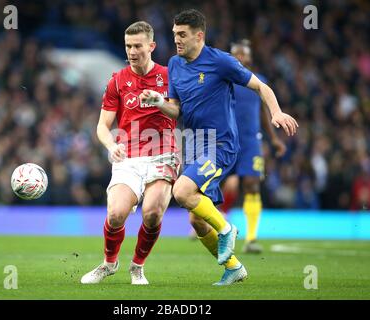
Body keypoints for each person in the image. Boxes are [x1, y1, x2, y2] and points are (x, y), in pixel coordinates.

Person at [140, 9, 298, 285]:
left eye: (182, 35)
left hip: (220, 144)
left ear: (199, 36)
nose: (176, 39)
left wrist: (276, 113)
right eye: (175, 34)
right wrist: (158, 102)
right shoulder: (175, 65)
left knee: (182, 191)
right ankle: (234, 267)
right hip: (193, 145)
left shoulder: (221, 62)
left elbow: (262, 87)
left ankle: (227, 229)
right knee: (197, 221)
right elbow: (176, 110)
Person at [81, 21, 178, 285]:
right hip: (129, 156)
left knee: (152, 213)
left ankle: (137, 267)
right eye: (128, 46)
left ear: (151, 46)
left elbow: (179, 112)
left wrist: (159, 102)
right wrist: (111, 145)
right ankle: (109, 264)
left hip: (162, 153)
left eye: (137, 46)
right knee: (115, 215)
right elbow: (102, 126)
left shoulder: (170, 76)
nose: (132, 51)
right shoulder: (118, 80)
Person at [218, 40, 287, 254]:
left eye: (243, 53)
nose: (239, 56)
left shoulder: (259, 82)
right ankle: (210, 224)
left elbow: (262, 112)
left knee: (252, 184)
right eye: (235, 53)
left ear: (249, 58)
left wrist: (274, 138)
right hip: (226, 140)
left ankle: (251, 238)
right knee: (216, 183)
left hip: (251, 142)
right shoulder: (223, 79)